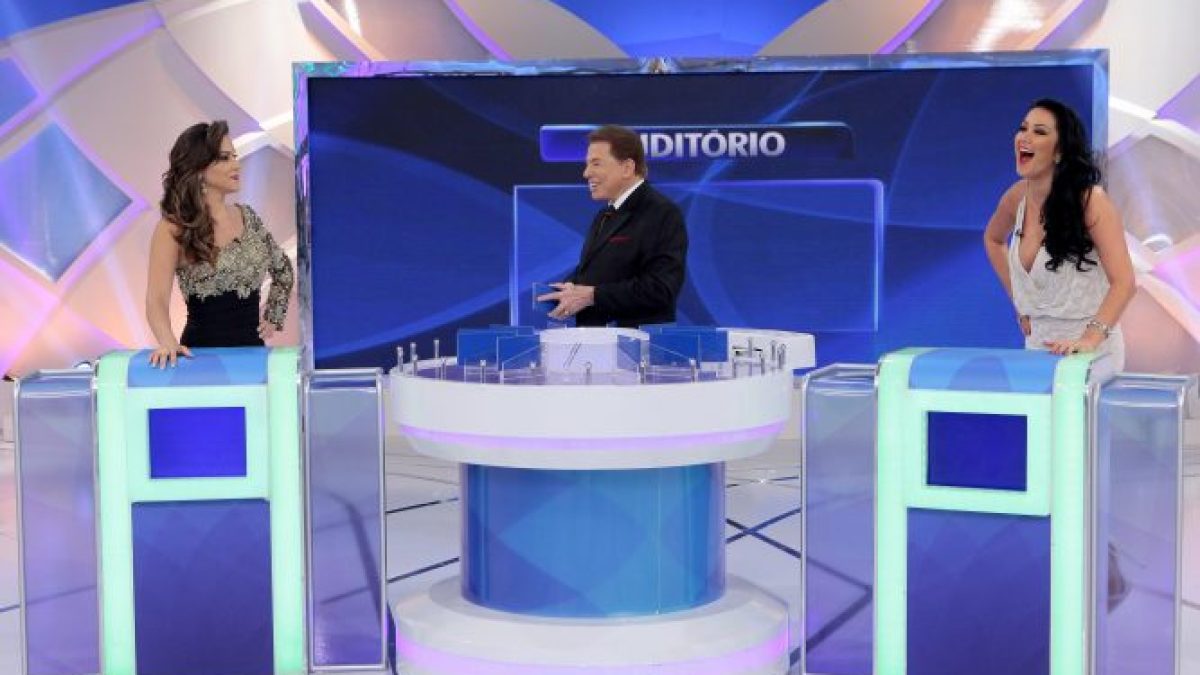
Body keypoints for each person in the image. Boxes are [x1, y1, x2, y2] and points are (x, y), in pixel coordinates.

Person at [983, 98, 1135, 370]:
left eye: (1039, 132)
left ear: (1060, 151)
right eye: (1023, 128)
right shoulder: (1015, 197)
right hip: (1036, 349)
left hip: (1091, 354)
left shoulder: (1091, 202)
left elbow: (1124, 282)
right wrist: (1020, 302)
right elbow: (993, 240)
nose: (1024, 137)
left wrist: (1090, 339)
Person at [145, 120, 294, 367]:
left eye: (235, 157)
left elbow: (283, 270)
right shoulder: (173, 228)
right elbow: (156, 300)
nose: (236, 164)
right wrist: (167, 341)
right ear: (199, 168)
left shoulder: (248, 217)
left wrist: (273, 316)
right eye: (225, 158)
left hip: (253, 358)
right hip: (201, 361)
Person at [538, 124, 687, 328]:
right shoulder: (605, 215)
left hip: (638, 343)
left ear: (627, 168)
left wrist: (593, 296)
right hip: (595, 342)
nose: (586, 173)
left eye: (596, 164)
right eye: (587, 164)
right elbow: (595, 273)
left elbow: (661, 289)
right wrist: (566, 290)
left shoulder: (661, 212)